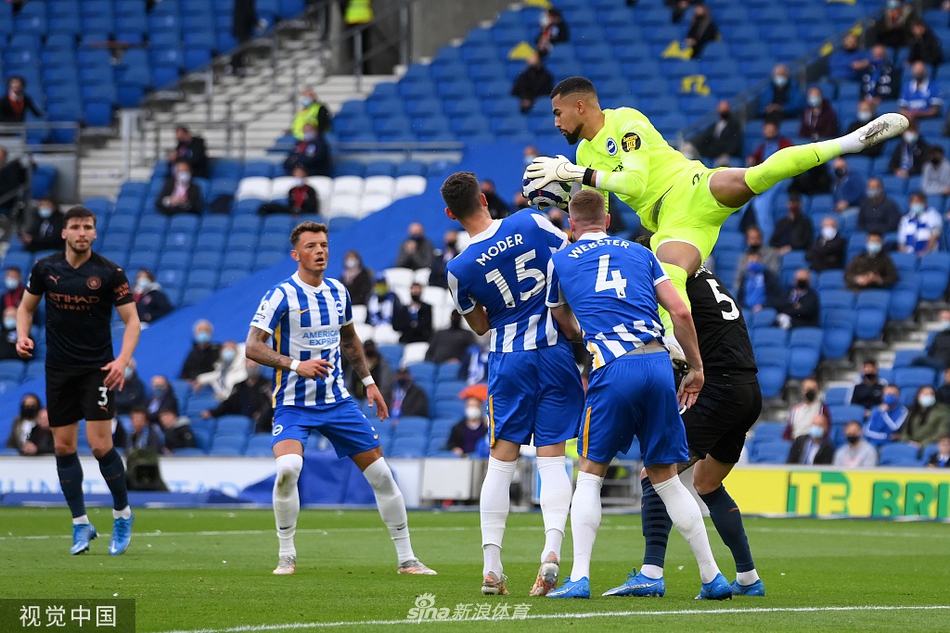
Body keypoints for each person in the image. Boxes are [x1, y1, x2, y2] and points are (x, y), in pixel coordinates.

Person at [528, 76, 907, 354]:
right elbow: (602, 218)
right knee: (669, 273)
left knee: (759, 174)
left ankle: (849, 141)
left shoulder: (624, 121)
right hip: (676, 224)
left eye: (558, 113)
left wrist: (578, 175)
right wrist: (567, 202)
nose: (556, 122)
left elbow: (637, 184)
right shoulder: (582, 158)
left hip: (693, 184)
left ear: (581, 106)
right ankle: (673, 350)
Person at [542, 190, 730, 600]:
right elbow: (680, 312)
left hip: (612, 366)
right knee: (667, 478)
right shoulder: (642, 253)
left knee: (590, 474)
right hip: (657, 364)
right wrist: (697, 368)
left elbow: (565, 323)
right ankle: (712, 576)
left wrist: (587, 327)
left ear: (572, 225)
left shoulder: (559, 261)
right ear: (608, 220)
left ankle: (579, 578)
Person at [246, 220, 436, 576]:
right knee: (288, 469)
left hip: (337, 402)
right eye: (311, 246)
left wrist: (369, 382)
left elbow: (349, 340)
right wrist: (294, 364)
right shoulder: (280, 295)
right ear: (296, 254)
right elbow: (253, 346)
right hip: (294, 404)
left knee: (381, 475)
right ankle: (286, 554)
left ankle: (407, 559)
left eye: (323, 245)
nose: (320, 251)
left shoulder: (338, 292)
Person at [441, 171, 584, 597]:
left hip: (509, 360)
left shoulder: (457, 269)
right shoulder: (530, 221)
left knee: (501, 462)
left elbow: (481, 326)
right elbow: (573, 259)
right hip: (556, 350)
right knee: (553, 459)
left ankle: (491, 568)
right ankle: (552, 554)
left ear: (451, 214)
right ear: (485, 199)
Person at [623, 238, 765, 598]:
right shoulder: (704, 277)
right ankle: (748, 578)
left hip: (720, 387)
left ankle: (651, 573)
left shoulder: (671, 282)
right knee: (706, 483)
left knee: (655, 471)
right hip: (748, 389)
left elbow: (674, 342)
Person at [15, 205, 141, 555]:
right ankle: (80, 525)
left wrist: (122, 361)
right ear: (64, 232)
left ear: (95, 233)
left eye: (88, 226)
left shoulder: (110, 272)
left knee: (101, 446)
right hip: (58, 369)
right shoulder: (45, 268)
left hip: (97, 370)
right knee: (63, 447)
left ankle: (122, 514)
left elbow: (132, 321)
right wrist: (22, 335)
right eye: (76, 226)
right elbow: (25, 308)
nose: (82, 231)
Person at [202, 360, 274, 434]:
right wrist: (212, 413)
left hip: (262, 424)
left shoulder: (267, 385)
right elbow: (228, 403)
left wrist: (261, 413)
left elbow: (270, 403)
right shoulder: (239, 386)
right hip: (242, 420)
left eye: (254, 366)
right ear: (245, 367)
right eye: (250, 366)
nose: (252, 368)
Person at [693, 100, 743, 166]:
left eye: (725, 109)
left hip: (726, 153)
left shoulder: (734, 125)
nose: (723, 111)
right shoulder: (715, 125)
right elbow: (706, 137)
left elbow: (735, 141)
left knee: (722, 162)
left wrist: (728, 153)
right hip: (713, 152)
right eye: (721, 109)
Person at [733, 226, 780, 293]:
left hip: (767, 292)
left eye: (757, 238)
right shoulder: (743, 257)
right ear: (747, 240)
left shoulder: (771, 254)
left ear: (761, 239)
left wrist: (760, 267)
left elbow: (774, 276)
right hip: (747, 293)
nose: (754, 241)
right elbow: (738, 280)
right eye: (752, 238)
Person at [898, 191, 943, 255]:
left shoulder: (933, 215)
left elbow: (934, 236)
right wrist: (904, 253)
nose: (915, 204)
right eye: (913, 202)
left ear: (924, 203)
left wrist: (925, 252)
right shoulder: (905, 219)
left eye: (918, 201)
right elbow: (901, 242)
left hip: (928, 254)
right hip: (909, 255)